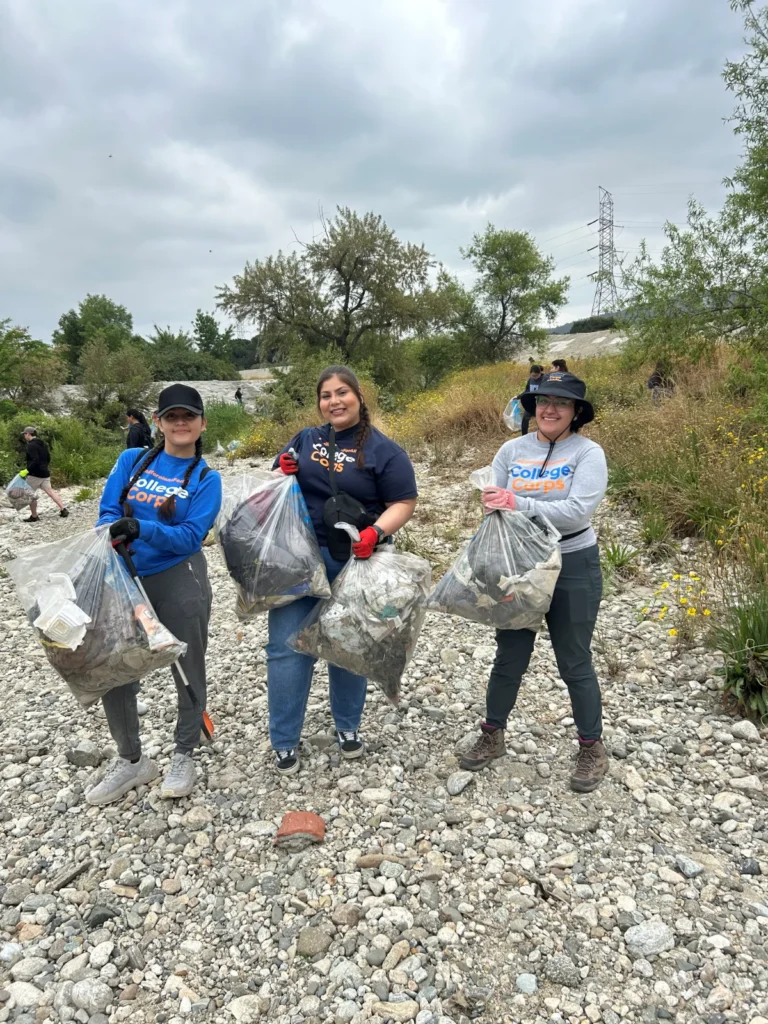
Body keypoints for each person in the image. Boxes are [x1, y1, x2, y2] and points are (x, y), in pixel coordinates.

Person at [459, 371, 609, 793]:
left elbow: (577, 511)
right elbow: (496, 503)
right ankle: (492, 734)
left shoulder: (588, 453)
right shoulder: (511, 450)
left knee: (574, 658)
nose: (549, 408)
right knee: (510, 652)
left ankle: (591, 747)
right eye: (542, 400)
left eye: (561, 403)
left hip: (573, 561)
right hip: (519, 561)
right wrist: (493, 502)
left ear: (576, 411)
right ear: (532, 407)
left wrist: (517, 501)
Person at [268, 365, 418, 775]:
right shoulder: (307, 439)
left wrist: (375, 532)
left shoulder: (385, 451)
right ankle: (284, 740)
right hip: (299, 556)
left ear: (359, 396)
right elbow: (277, 481)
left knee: (347, 648)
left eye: (342, 393)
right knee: (286, 648)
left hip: (355, 561)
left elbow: (404, 501)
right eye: (326, 395)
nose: (333, 401)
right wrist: (281, 468)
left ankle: (347, 727)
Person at [86, 384, 222, 806]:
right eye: (171, 416)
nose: (180, 423)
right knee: (116, 667)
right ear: (159, 422)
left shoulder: (206, 478)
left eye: (189, 416)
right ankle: (131, 760)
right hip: (123, 577)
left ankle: (185, 752)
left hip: (179, 578)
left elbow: (189, 537)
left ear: (200, 424)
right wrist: (114, 532)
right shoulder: (131, 460)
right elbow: (108, 511)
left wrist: (142, 529)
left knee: (185, 665)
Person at [20, 427, 69, 523]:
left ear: (28, 434)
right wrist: (44, 467)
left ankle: (34, 516)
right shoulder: (43, 444)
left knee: (30, 495)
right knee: (50, 492)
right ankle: (63, 509)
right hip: (45, 473)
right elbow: (48, 457)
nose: (24, 436)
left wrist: (27, 470)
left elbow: (35, 460)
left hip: (35, 475)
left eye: (25, 434)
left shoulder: (31, 446)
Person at [520, 364, 544, 436]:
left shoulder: (545, 379)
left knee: (540, 420)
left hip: (541, 404)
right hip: (531, 403)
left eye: (536, 375)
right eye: (533, 376)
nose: (535, 377)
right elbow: (527, 390)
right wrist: (519, 396)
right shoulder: (530, 380)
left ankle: (542, 436)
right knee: (525, 419)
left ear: (540, 373)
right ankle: (524, 436)